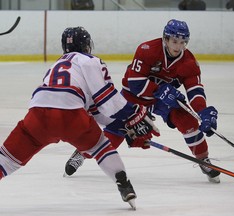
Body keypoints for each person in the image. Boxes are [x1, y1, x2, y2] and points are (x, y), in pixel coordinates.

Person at [0, 26, 160, 210]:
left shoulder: (56, 64)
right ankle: (124, 184)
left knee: (7, 159)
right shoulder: (90, 61)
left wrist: (123, 124)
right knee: (100, 147)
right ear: (86, 44)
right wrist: (131, 115)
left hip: (37, 115)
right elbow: (105, 98)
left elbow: (94, 108)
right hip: (71, 116)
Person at [65, 19, 221, 183]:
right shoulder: (147, 50)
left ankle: (203, 159)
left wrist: (202, 111)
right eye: (175, 41)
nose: (178, 47)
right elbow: (135, 82)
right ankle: (82, 153)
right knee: (116, 133)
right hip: (134, 96)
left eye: (183, 42)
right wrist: (159, 90)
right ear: (165, 39)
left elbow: (194, 89)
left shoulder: (189, 62)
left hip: (163, 101)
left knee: (188, 121)